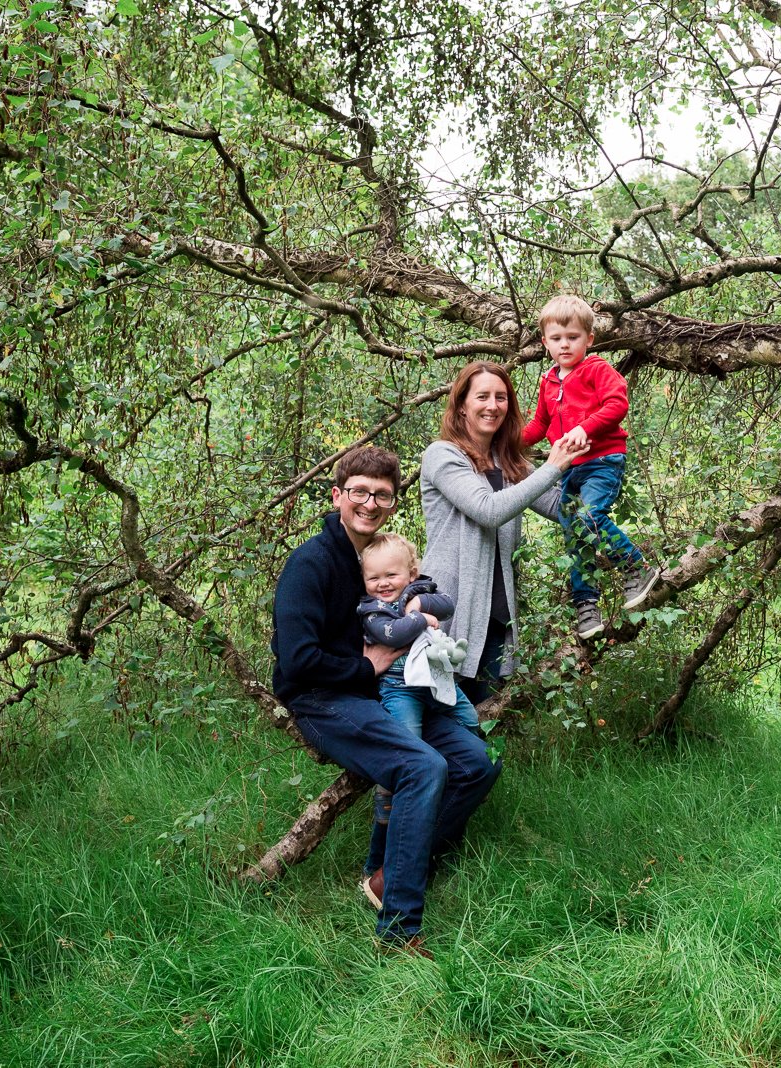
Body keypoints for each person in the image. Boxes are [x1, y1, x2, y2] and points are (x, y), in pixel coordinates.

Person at [271, 446, 499, 957]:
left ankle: (385, 875)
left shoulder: (375, 560)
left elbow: (422, 599)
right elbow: (295, 659)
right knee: (421, 767)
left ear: (393, 503)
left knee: (474, 765)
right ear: (337, 496)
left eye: (382, 495)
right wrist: (364, 666)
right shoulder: (311, 563)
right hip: (321, 698)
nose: (369, 503)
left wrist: (418, 606)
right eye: (359, 492)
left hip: (382, 693)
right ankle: (399, 929)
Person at [420, 361, 592, 705]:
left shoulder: (508, 462)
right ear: (462, 405)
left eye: (501, 397)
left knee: (486, 723)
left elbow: (561, 507)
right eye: (482, 396)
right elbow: (489, 510)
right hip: (450, 610)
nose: (493, 405)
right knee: (442, 718)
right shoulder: (443, 456)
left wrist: (599, 479)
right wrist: (553, 466)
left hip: (496, 616)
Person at [520, 294, 658, 640]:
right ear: (545, 343)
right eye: (556, 338)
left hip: (601, 461)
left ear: (589, 339)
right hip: (569, 468)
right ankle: (586, 605)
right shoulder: (549, 381)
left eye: (573, 337)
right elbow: (539, 425)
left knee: (589, 516)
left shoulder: (597, 369)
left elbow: (617, 404)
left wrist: (584, 428)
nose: (564, 344)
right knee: (575, 535)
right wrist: (506, 444)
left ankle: (635, 565)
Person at [355, 531, 483, 897]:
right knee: (407, 754)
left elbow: (447, 603)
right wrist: (421, 619)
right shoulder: (370, 610)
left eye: (391, 576)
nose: (382, 585)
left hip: (436, 681)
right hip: (400, 691)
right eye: (373, 578)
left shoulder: (419, 590)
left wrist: (418, 603)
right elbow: (391, 634)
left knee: (471, 722)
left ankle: (464, 776)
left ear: (411, 572)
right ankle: (387, 798)